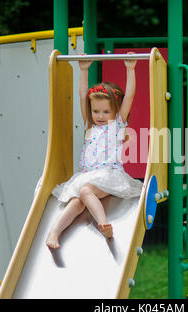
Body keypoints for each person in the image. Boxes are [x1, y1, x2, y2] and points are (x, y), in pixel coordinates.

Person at [46, 53, 143, 249]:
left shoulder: (116, 125)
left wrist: (130, 70)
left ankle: (102, 223)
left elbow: (130, 96)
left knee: (85, 191)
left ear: (115, 112)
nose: (99, 115)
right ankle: (54, 232)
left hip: (109, 176)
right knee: (77, 202)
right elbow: (83, 96)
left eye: (105, 111)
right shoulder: (90, 126)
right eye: (96, 111)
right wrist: (83, 70)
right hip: (89, 175)